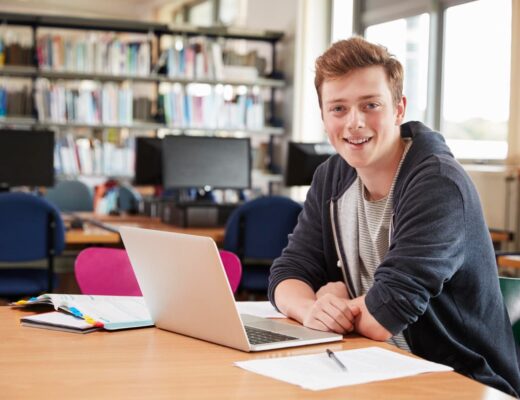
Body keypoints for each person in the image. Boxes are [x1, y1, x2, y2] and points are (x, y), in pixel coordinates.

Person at [268, 36, 520, 396]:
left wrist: (335, 300)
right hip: (373, 367)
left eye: (370, 105)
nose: (354, 123)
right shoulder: (331, 177)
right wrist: (312, 309)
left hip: (460, 382)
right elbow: (288, 274)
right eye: (338, 108)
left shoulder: (437, 184)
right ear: (323, 116)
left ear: (399, 109)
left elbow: (383, 315)